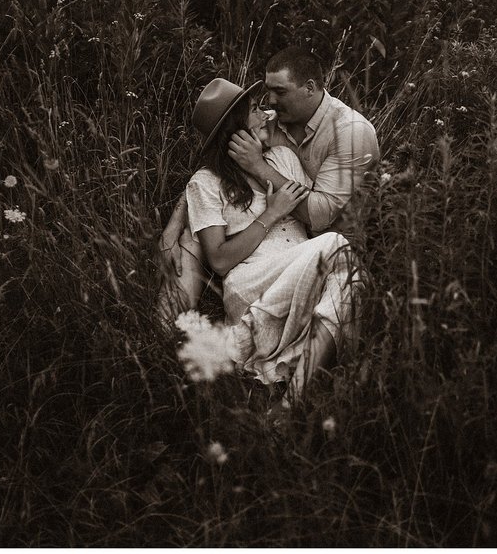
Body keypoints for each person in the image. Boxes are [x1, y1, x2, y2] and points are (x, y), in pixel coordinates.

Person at [158, 46, 380, 317]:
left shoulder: (349, 132)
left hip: (329, 236)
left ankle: (255, 344)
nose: (269, 104)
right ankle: (174, 325)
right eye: (266, 93)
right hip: (271, 257)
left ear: (309, 88)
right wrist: (173, 224)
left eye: (280, 92)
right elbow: (207, 178)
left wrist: (257, 166)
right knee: (190, 234)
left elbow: (320, 216)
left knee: (340, 266)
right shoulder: (271, 125)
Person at [181, 77, 362, 405]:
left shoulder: (281, 158)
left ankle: (290, 405)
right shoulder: (205, 183)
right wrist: (271, 214)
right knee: (338, 250)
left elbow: (317, 216)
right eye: (254, 110)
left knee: (345, 279)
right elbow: (219, 260)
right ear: (235, 131)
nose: (266, 114)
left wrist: (258, 166)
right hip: (251, 280)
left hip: (301, 263)